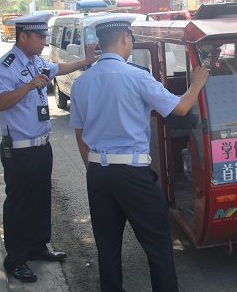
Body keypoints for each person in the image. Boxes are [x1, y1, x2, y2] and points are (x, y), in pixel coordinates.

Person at [69, 15, 209, 292]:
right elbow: (180, 108)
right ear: (125, 39)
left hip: (98, 173)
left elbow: (79, 132)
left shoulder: (82, 83)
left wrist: (94, 169)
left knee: (107, 246)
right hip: (132, 174)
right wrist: (196, 83)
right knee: (157, 244)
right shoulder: (137, 76)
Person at [0, 13, 97, 283]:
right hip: (19, 150)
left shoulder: (36, 61)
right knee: (19, 204)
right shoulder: (6, 66)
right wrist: (27, 87)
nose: (43, 42)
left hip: (41, 146)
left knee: (40, 198)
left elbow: (59, 68)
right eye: (39, 37)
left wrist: (85, 61)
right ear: (23, 37)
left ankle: (38, 246)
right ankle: (16, 259)